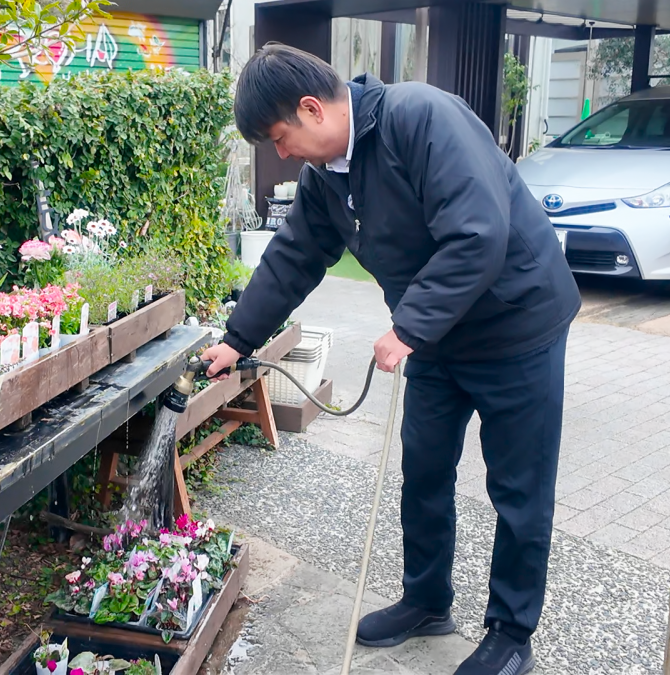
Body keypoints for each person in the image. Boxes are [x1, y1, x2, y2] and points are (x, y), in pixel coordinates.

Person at [200, 43, 581, 675]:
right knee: (424, 471)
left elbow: (479, 232)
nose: (284, 155)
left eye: (280, 138)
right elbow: (296, 255)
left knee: (518, 489)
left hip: (518, 326)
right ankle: (427, 600)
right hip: (436, 336)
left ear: (311, 108)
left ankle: (512, 633)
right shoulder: (327, 177)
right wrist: (237, 339)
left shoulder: (422, 118)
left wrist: (407, 326)